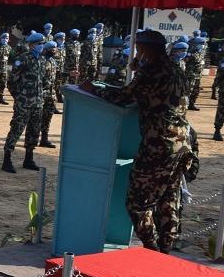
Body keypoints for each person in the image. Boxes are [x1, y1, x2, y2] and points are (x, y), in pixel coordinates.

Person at [83, 30, 195, 252]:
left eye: (139, 49)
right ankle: (165, 250)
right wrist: (140, 69)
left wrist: (92, 89)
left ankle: (151, 250)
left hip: (159, 144)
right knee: (168, 198)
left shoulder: (151, 71)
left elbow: (124, 97)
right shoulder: (176, 68)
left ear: (145, 49)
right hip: (182, 142)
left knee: (137, 203)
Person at [2, 33, 46, 173]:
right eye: (39, 44)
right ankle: (7, 160)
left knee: (34, 131)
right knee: (17, 129)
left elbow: (42, 81)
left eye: (42, 43)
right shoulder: (22, 59)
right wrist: (19, 97)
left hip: (38, 103)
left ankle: (28, 159)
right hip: (24, 103)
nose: (41, 46)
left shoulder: (42, 60)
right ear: (32, 45)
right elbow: (11, 81)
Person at [186, 36, 205, 111]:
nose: (202, 45)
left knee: (196, 91)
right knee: (188, 91)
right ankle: (185, 106)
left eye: (203, 44)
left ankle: (191, 104)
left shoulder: (201, 51)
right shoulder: (190, 52)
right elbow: (186, 63)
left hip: (198, 75)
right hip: (191, 75)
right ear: (196, 44)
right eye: (201, 44)